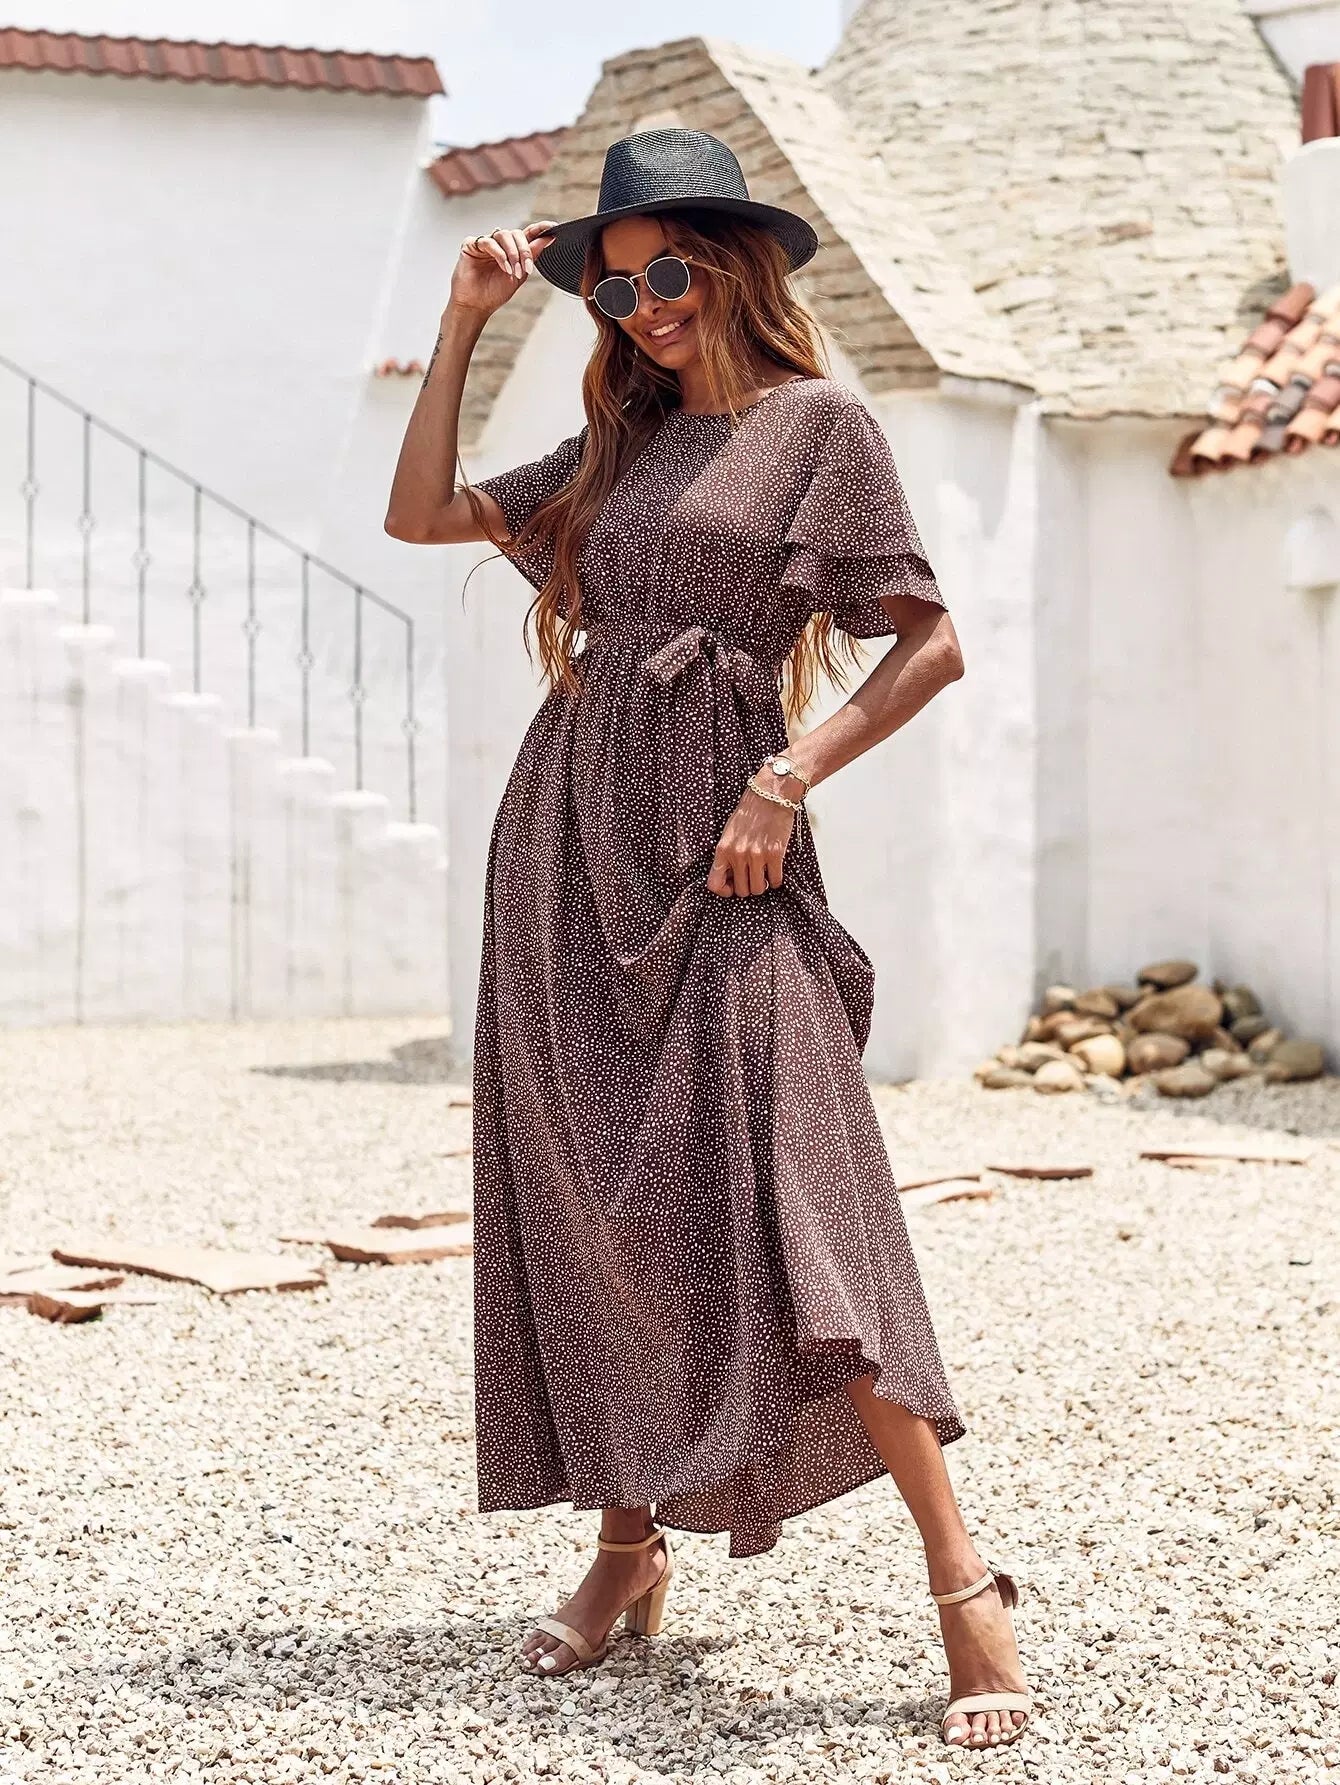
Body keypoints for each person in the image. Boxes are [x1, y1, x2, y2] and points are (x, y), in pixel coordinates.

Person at [385, 128, 1032, 1752]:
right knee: (603, 1206)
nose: (646, 307)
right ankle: (626, 1552)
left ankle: (964, 1579)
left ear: (733, 266)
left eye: (667, 271)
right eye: (615, 289)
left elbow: (932, 641)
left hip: (734, 853)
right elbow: (418, 514)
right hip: (569, 847)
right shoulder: (624, 441)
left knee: (809, 1197)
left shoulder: (823, 425)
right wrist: (462, 322)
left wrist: (785, 777)